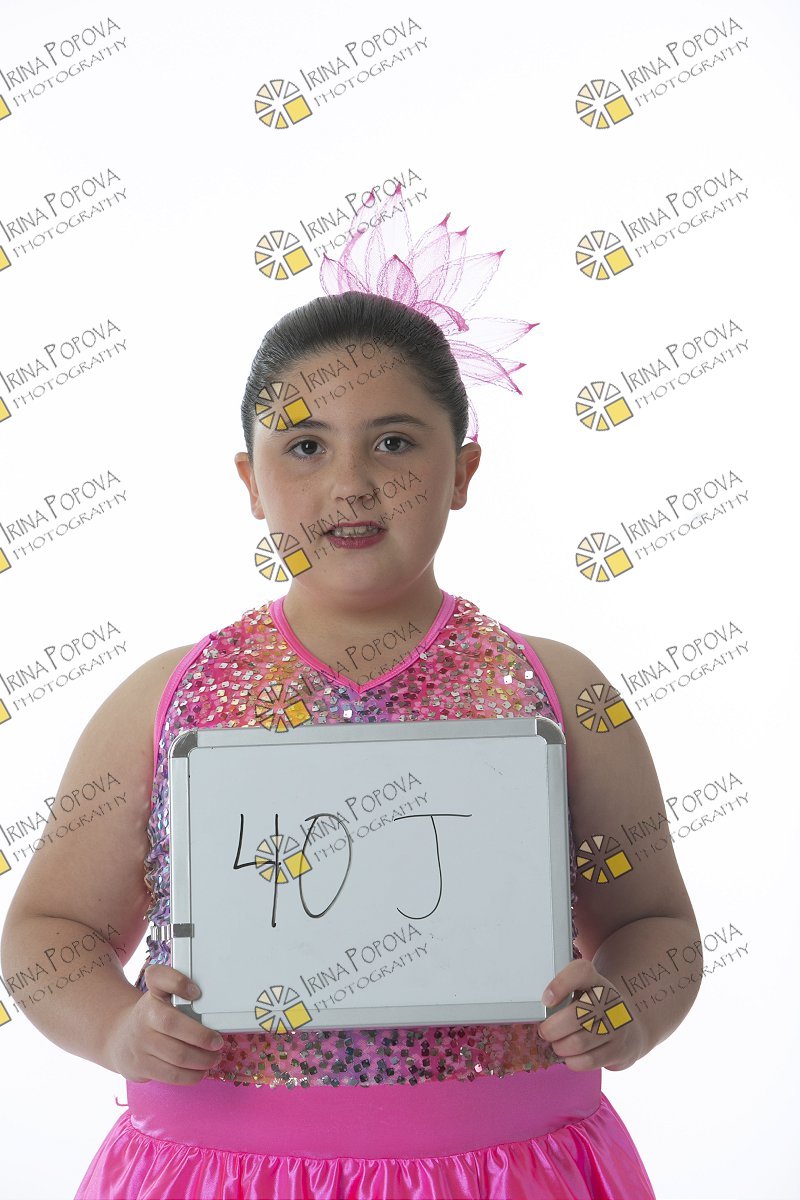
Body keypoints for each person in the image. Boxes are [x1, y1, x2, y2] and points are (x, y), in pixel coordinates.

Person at [1, 202, 701, 1200]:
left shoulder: (560, 693)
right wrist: (117, 1029)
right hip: (222, 1173)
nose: (351, 484)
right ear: (249, 481)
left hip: (511, 1170)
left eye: (394, 443)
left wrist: (624, 1008)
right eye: (303, 447)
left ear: (462, 470)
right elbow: (48, 929)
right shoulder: (166, 701)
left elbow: (655, 925)